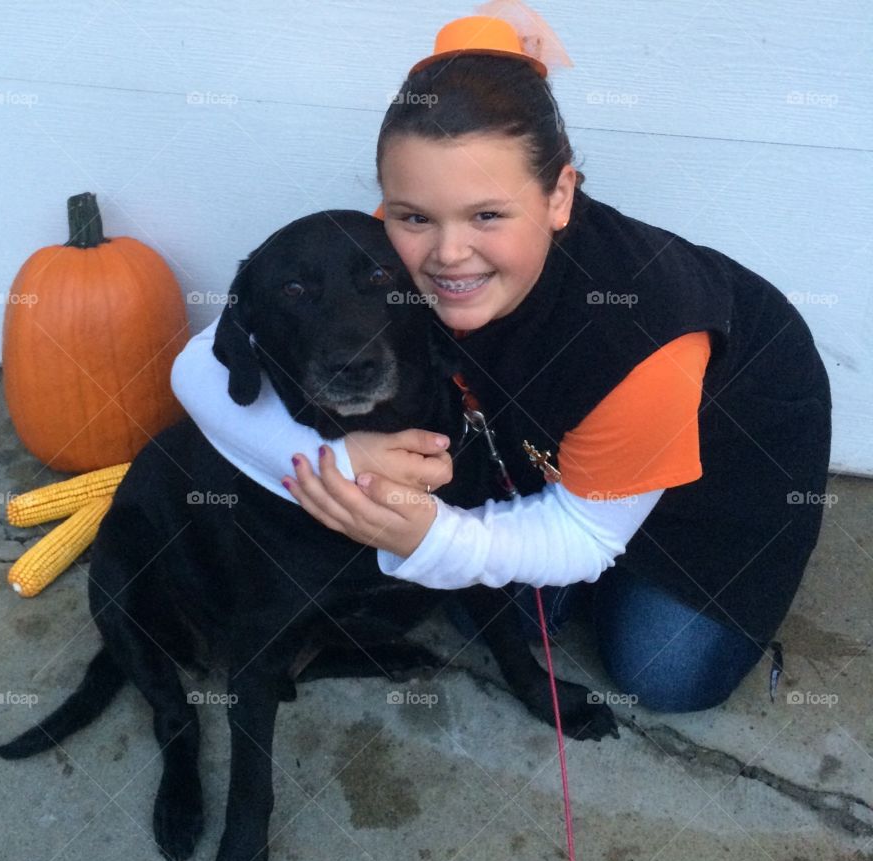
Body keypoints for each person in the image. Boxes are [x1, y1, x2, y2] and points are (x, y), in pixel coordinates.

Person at [170, 14, 832, 714]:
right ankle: (567, 506)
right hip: (565, 453)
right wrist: (341, 458)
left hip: (719, 485)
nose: (449, 254)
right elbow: (194, 369)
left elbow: (587, 537)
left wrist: (439, 536)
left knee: (663, 674)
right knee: (473, 604)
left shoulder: (641, 340)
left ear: (559, 196)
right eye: (414, 216)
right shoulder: (397, 244)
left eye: (488, 215)